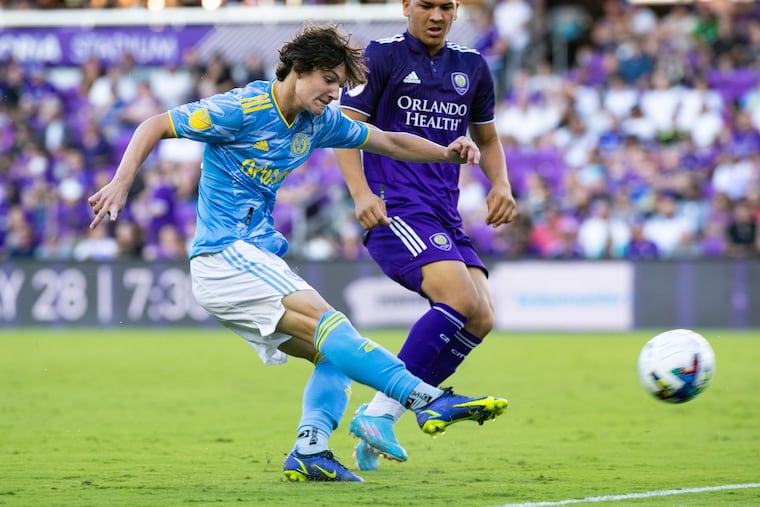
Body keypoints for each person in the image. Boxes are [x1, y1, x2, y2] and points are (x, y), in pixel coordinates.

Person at [87, 24, 508, 483]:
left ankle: (310, 449)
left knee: (333, 355)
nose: (335, 93)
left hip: (247, 262)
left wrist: (448, 155)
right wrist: (122, 180)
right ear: (299, 70)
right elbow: (156, 124)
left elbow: (388, 141)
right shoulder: (241, 108)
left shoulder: (318, 121)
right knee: (334, 326)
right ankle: (425, 399)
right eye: (329, 80)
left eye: (340, 85)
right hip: (226, 253)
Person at [335, 0, 517, 471]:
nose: (436, 15)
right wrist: (359, 193)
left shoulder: (471, 66)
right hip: (393, 204)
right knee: (458, 297)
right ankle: (397, 409)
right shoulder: (381, 56)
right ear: (406, 7)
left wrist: (501, 184)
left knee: (481, 317)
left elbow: (489, 137)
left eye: (446, 6)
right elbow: (345, 130)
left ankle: (379, 416)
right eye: (426, 5)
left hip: (442, 212)